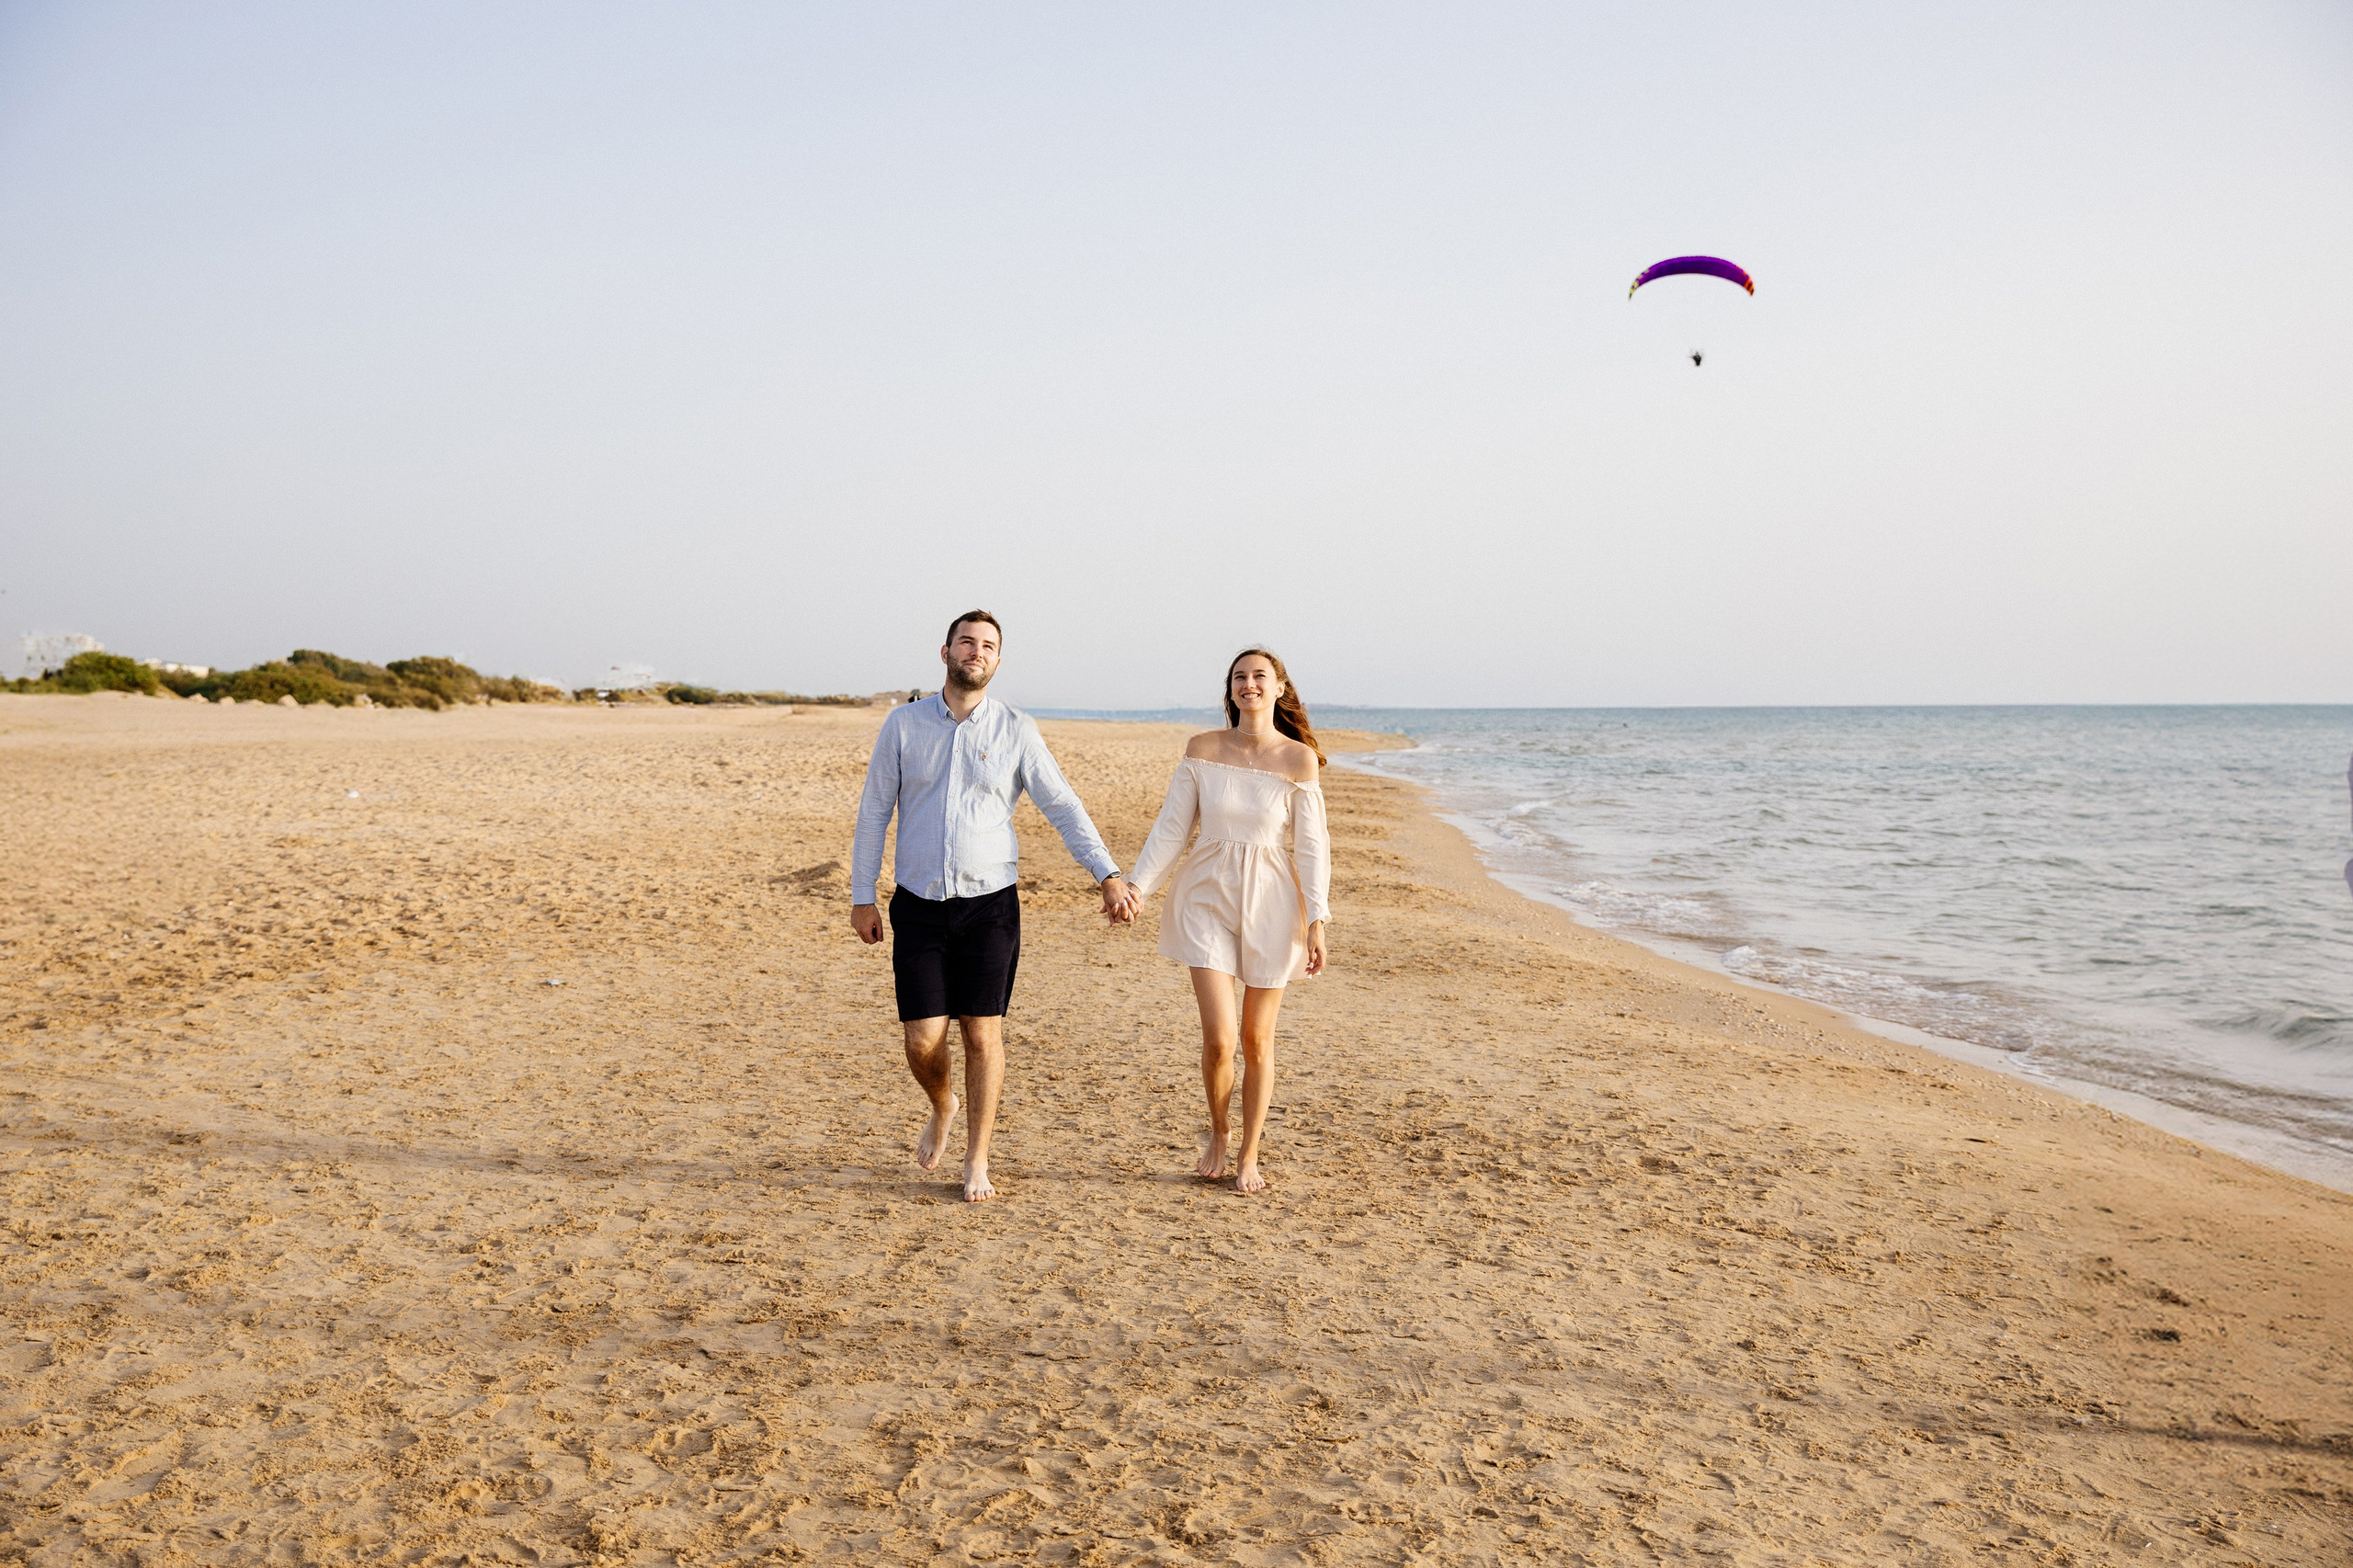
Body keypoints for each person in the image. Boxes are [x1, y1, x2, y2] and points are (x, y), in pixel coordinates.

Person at [850, 611, 1133, 1202]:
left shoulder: (1016, 729)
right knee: (921, 1042)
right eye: (967, 642)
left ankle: (977, 1159)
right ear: (946, 651)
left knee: (983, 1035)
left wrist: (1106, 872)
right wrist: (862, 895)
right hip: (919, 904)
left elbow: (1062, 805)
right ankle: (942, 1104)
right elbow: (875, 810)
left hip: (991, 906)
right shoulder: (903, 726)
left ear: (998, 661)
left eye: (988, 646)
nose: (976, 652)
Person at [1121, 648, 1331, 1194]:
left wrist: (1318, 919)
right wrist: (1139, 887)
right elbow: (1172, 827)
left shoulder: (1298, 760)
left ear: (1279, 688)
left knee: (1257, 1039)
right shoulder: (1202, 750)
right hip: (1205, 895)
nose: (1248, 684)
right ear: (1230, 689)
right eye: (1239, 677)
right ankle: (1217, 1133)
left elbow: (1312, 848)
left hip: (1273, 901)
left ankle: (1249, 1154)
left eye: (1260, 676)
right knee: (1219, 1040)